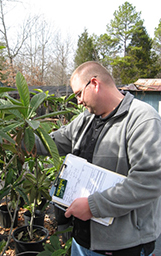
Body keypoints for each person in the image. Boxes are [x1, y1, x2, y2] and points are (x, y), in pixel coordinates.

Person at [35, 61, 161, 256]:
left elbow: (150, 180)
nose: (78, 102)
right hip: (83, 241)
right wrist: (11, 138)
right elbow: (51, 143)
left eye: (78, 94)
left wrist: (94, 206)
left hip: (123, 247)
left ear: (94, 83)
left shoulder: (142, 118)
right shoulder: (85, 120)